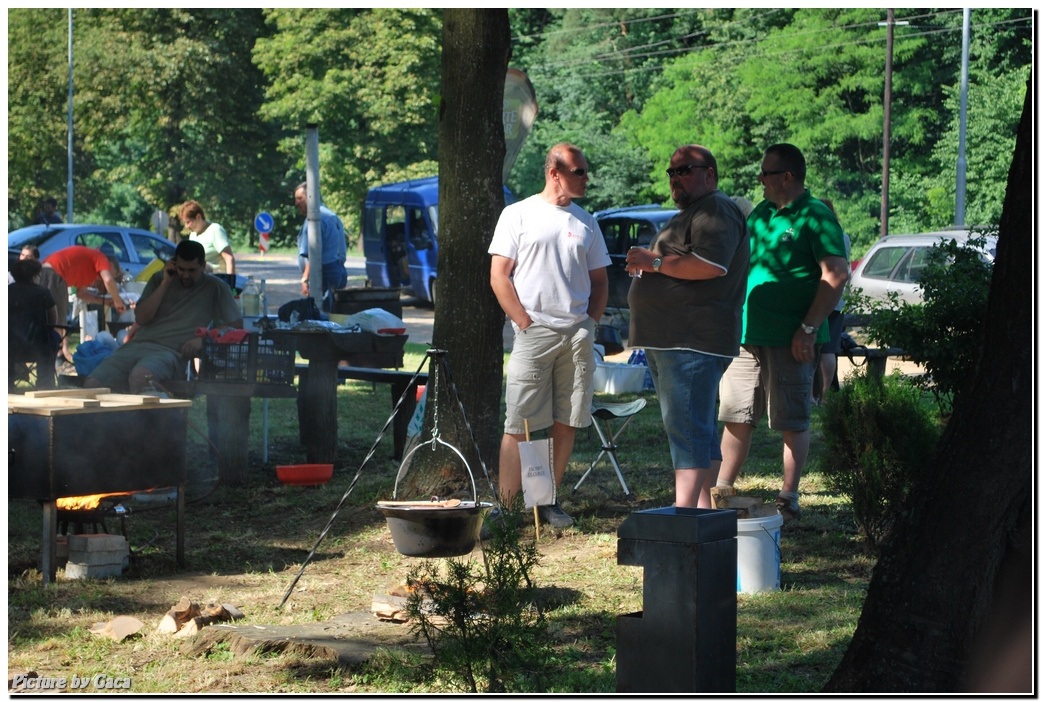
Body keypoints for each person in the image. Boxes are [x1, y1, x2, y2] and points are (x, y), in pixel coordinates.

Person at [716, 143, 849, 522]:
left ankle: (788, 496)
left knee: (791, 420)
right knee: (736, 413)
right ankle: (723, 489)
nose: (760, 179)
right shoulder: (758, 214)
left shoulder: (816, 215)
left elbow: (836, 274)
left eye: (766, 173)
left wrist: (807, 329)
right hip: (746, 335)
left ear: (786, 177)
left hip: (793, 338)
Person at [488, 143, 610, 528]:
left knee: (567, 420)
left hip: (576, 335)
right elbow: (499, 275)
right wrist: (524, 322)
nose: (586, 178)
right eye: (579, 171)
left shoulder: (586, 222)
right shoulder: (518, 214)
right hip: (533, 332)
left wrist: (589, 322)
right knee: (519, 422)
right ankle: (507, 509)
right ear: (554, 171)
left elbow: (600, 280)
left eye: (586, 171)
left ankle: (545, 502)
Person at [625, 145, 750, 509]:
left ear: (710, 173)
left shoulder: (716, 209)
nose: (676, 178)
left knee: (687, 429)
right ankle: (703, 512)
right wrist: (650, 268)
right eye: (672, 172)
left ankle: (683, 516)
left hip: (691, 341)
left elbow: (711, 266)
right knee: (698, 429)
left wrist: (655, 262)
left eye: (685, 170)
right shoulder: (695, 211)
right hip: (676, 339)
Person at [84, 240, 242, 394]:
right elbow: (141, 318)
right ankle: (106, 420)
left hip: (170, 352)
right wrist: (166, 283)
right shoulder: (159, 279)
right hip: (137, 345)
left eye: (192, 270)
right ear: (174, 264)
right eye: (181, 269)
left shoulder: (215, 287)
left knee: (140, 377)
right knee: (92, 385)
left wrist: (204, 340)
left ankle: (147, 419)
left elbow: (236, 326)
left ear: (202, 266)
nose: (186, 275)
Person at [41, 246, 128, 364]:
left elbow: (81, 294)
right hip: (53, 273)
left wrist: (107, 302)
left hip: (49, 272)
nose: (101, 279)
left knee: (56, 319)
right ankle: (53, 357)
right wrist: (118, 301)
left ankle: (54, 355)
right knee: (56, 320)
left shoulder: (88, 269)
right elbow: (108, 280)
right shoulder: (100, 257)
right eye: (110, 273)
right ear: (110, 265)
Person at [814, 198, 852, 403]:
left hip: (819, 296)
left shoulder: (817, 235)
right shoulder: (843, 236)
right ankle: (826, 394)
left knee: (816, 348)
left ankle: (815, 394)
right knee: (829, 349)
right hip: (837, 300)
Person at [294, 182, 348, 311]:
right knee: (333, 313)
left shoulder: (315, 219)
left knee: (321, 315)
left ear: (311, 197)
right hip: (337, 270)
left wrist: (305, 279)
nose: (296, 203)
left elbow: (313, 254)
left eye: (299, 199)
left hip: (323, 273)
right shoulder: (331, 215)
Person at [8, 258, 59, 390]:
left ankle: (7, 381)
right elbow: (53, 320)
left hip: (10, 348)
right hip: (39, 348)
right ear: (34, 275)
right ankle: (45, 381)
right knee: (53, 337)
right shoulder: (43, 292)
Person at [180, 200, 235, 274]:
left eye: (188, 222)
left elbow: (229, 258)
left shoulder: (215, 230)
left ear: (198, 217)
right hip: (200, 281)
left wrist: (230, 282)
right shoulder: (193, 235)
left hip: (217, 279)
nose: (186, 226)